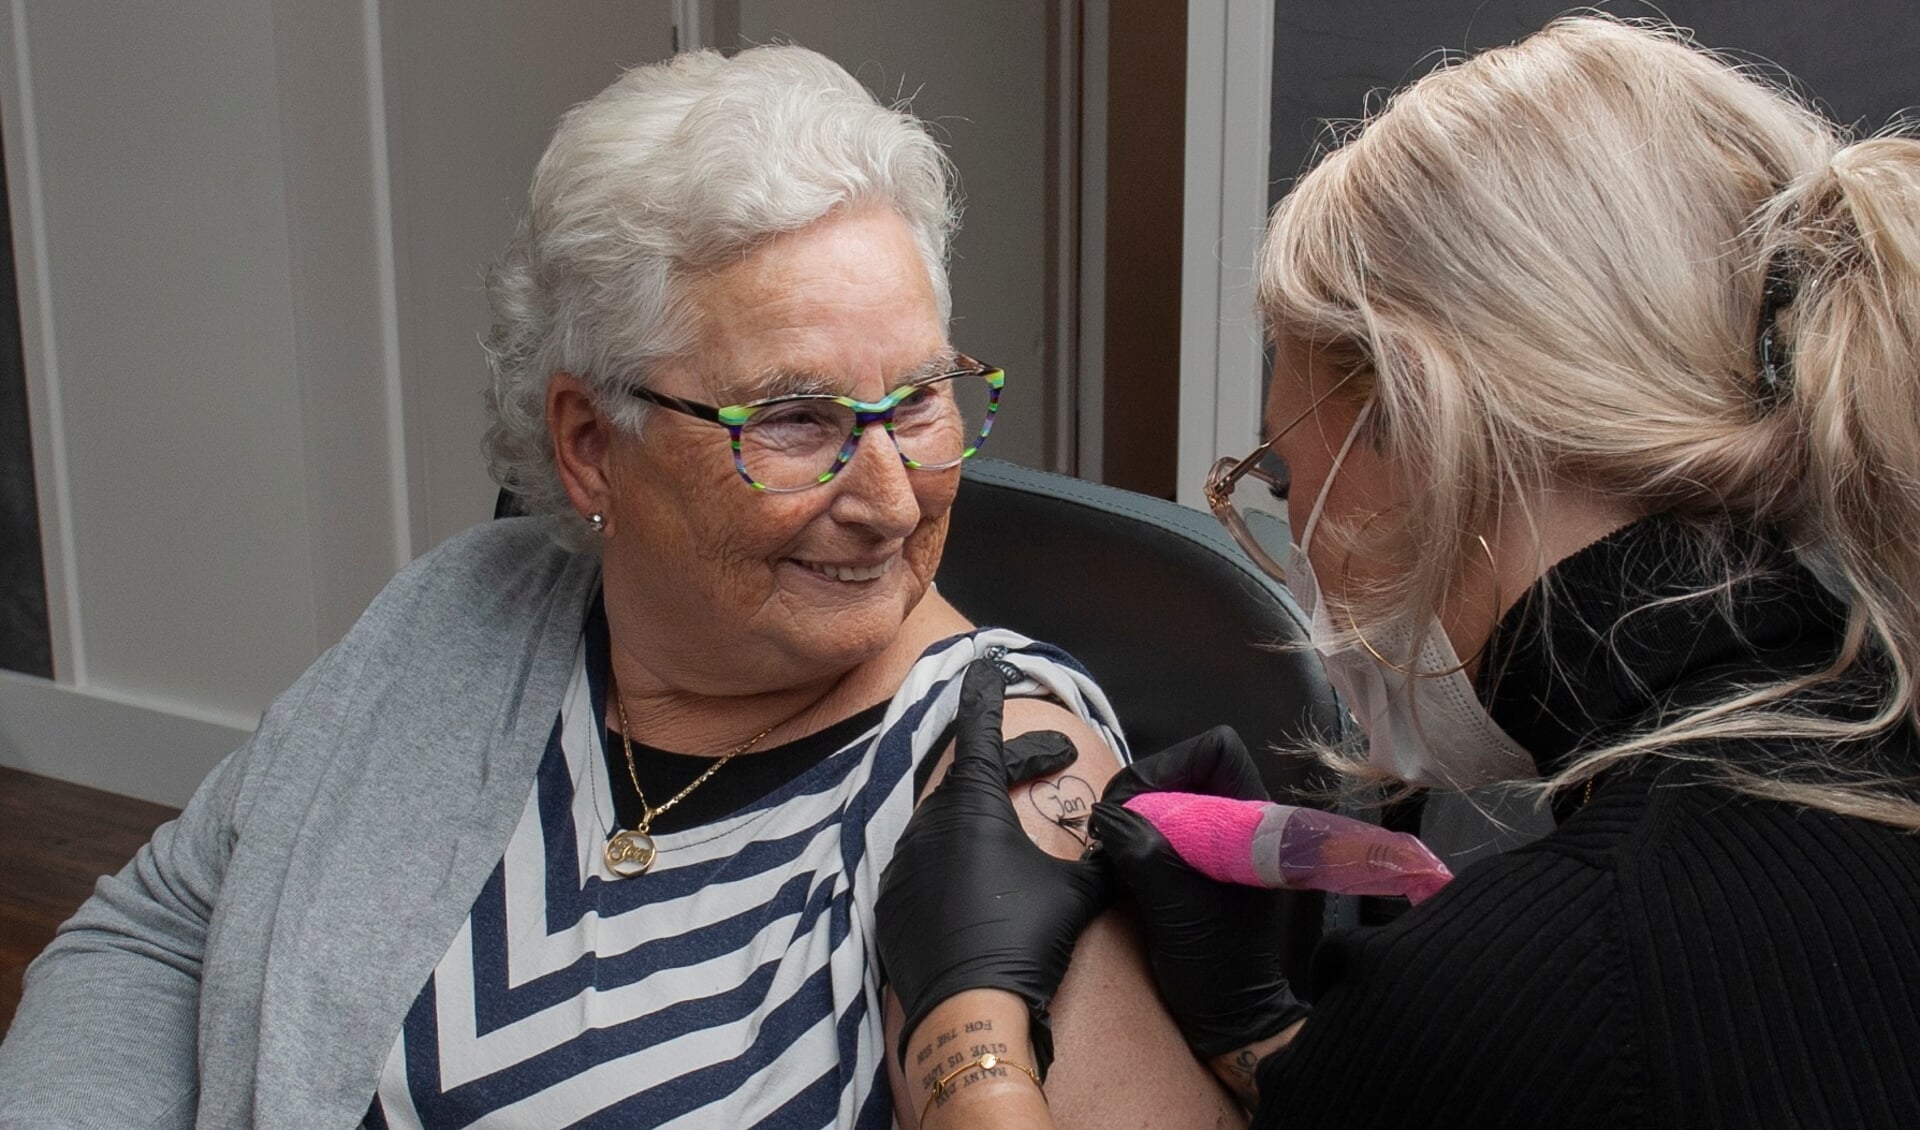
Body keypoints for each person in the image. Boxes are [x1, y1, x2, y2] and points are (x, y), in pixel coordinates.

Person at [0, 47, 1236, 1129]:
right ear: (591, 443)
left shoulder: (992, 762)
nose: (897, 497)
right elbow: (160, 931)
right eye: (798, 420)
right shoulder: (455, 616)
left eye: (916, 397)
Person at [878, 15, 1920, 1128]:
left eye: (1281, 481)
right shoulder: (1864, 765)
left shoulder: (1549, 977)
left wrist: (966, 1025)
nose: (1300, 550)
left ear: (1419, 425)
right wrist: (1265, 1036)